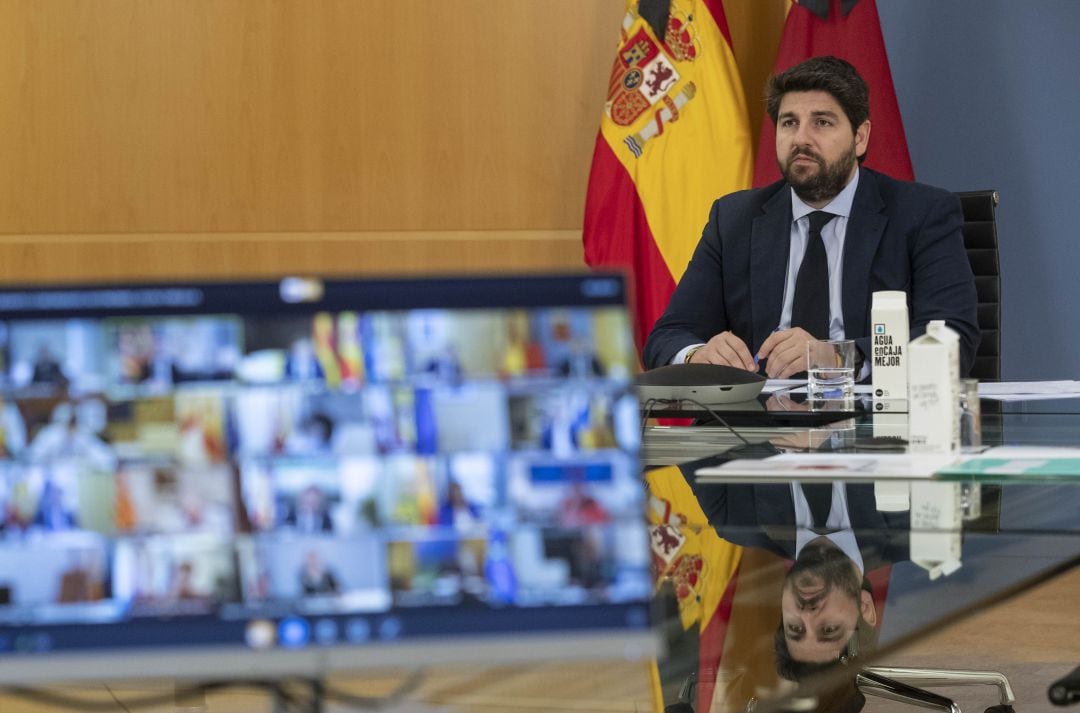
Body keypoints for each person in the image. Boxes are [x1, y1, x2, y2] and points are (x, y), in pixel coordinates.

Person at [643, 56, 979, 378]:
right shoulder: (733, 220)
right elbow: (669, 335)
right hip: (760, 413)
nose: (801, 139)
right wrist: (697, 354)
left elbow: (951, 339)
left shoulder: (921, 214)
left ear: (860, 137)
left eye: (822, 122)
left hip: (871, 412)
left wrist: (839, 357)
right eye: (789, 123)